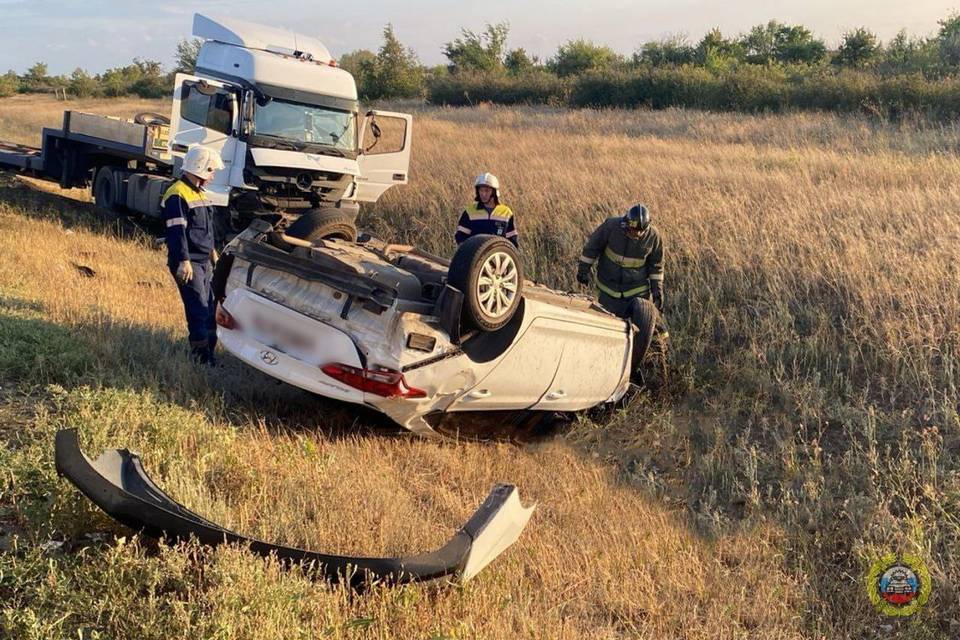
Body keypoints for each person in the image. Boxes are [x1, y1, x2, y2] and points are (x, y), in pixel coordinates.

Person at [577, 204, 668, 359]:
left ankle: (660, 356)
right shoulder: (611, 227)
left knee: (654, 326)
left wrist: (657, 291)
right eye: (634, 230)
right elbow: (592, 248)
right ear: (626, 224)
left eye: (641, 231)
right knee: (605, 326)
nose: (637, 234)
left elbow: (656, 266)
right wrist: (583, 271)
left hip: (637, 291)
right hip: (607, 290)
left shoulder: (653, 237)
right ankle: (603, 357)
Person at [162, 145, 224, 364]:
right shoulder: (177, 194)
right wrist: (183, 261)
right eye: (211, 170)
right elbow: (176, 232)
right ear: (201, 168)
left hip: (203, 261)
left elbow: (205, 229)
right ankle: (200, 359)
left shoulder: (200, 193)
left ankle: (210, 355)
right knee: (198, 309)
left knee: (210, 309)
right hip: (189, 264)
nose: (213, 174)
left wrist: (212, 253)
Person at [454, 173, 519, 247]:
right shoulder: (470, 211)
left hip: (496, 256)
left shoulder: (506, 212)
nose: (483, 194)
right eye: (481, 190)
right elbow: (461, 237)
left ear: (494, 192)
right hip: (475, 256)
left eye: (487, 191)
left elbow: (512, 241)